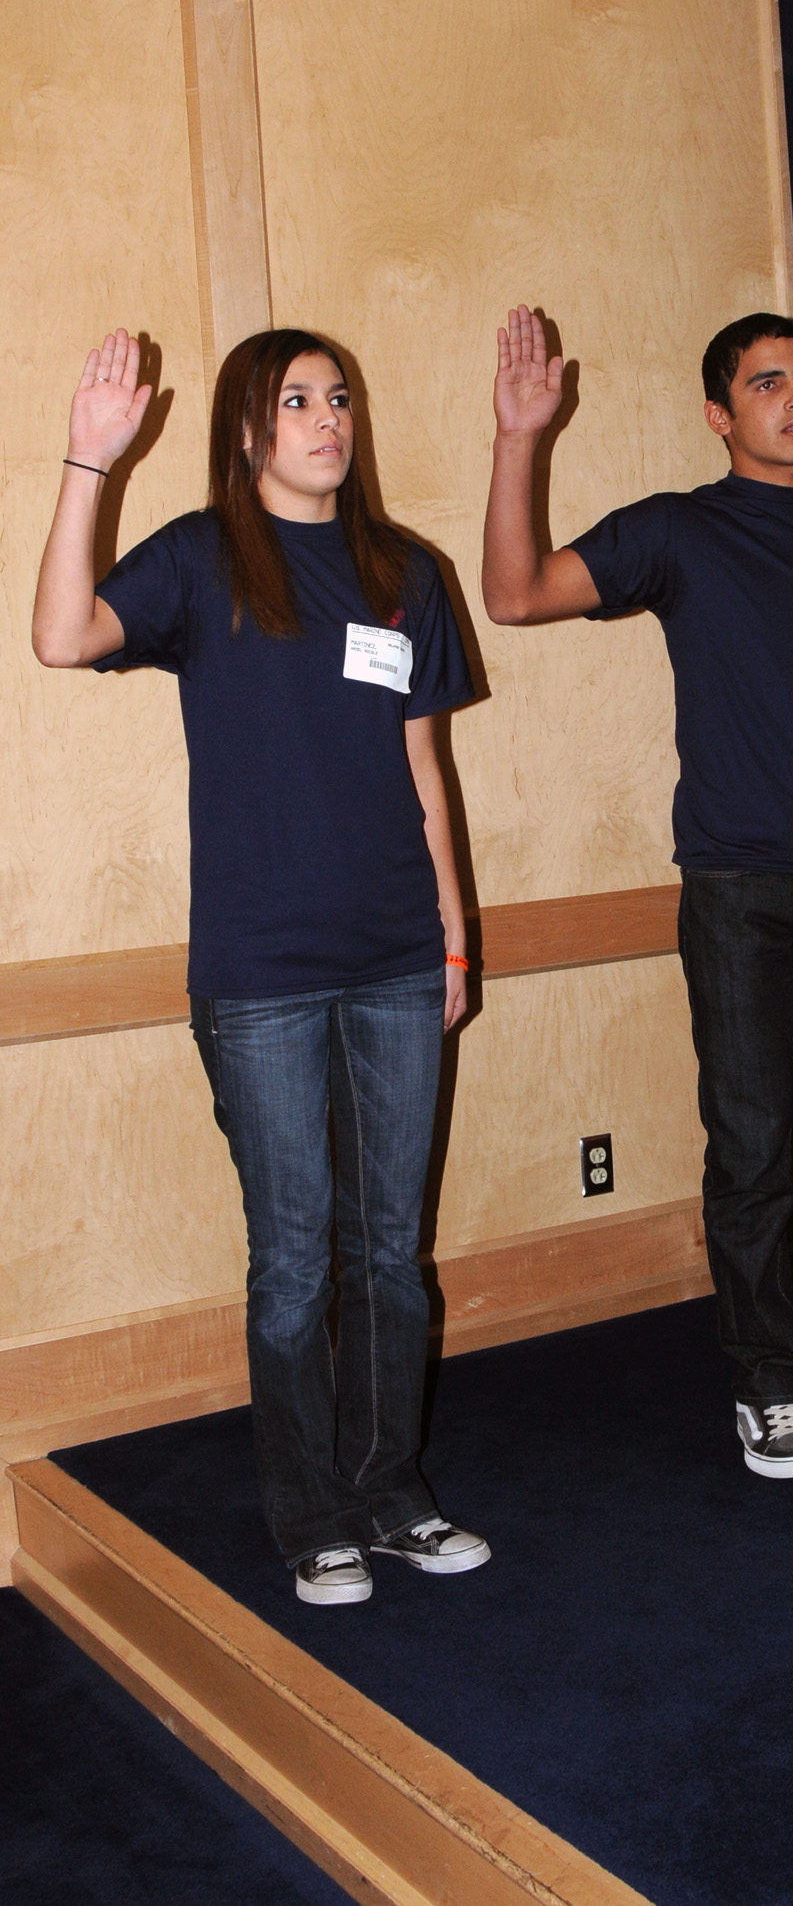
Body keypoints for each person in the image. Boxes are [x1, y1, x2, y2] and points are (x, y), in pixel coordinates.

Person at [33, 327, 492, 1606]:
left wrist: (454, 931)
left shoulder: (408, 571)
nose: (325, 419)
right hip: (262, 973)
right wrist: (91, 459)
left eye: (339, 396)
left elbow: (423, 771)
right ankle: (312, 1517)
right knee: (295, 1257)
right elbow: (62, 638)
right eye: (296, 401)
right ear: (249, 429)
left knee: (392, 1252)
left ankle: (392, 1493)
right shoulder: (201, 559)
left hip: (399, 956)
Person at [480, 308, 793, 1477]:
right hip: (739, 891)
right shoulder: (679, 533)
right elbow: (517, 592)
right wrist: (519, 439)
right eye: (764, 384)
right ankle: (767, 1380)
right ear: (719, 413)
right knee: (752, 1143)